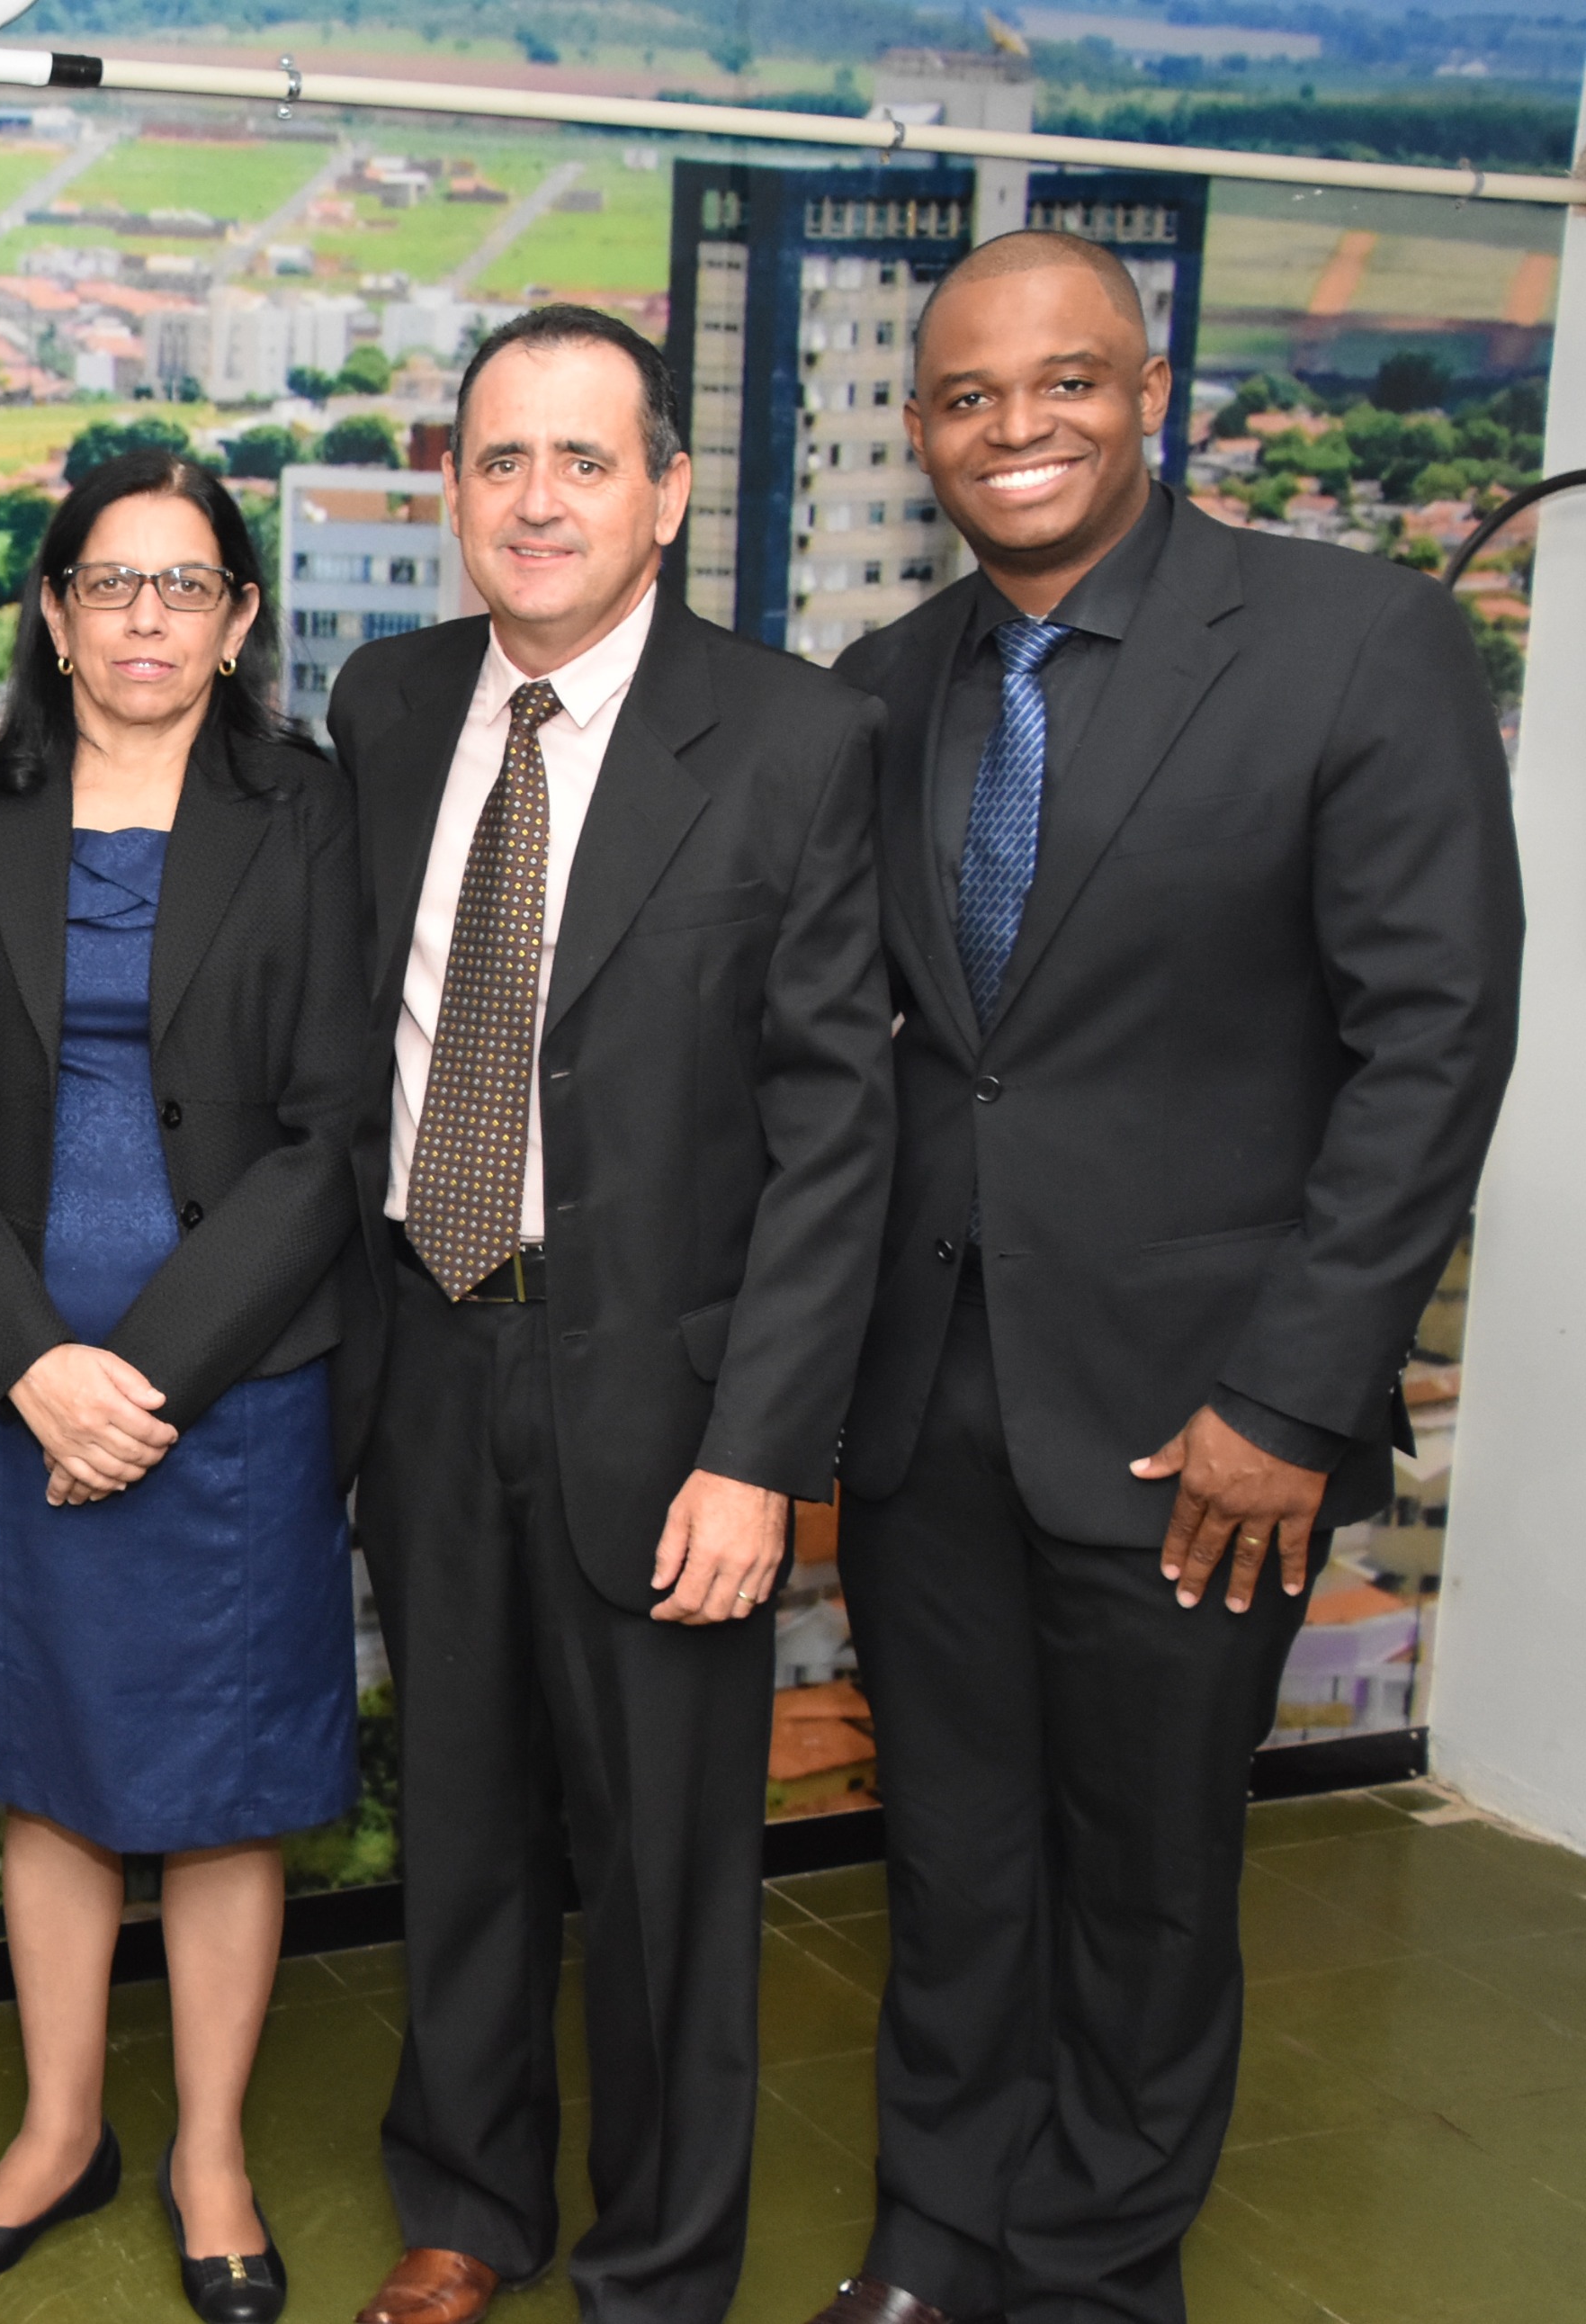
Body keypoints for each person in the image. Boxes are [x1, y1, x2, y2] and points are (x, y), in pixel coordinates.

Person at [804, 232, 1522, 2324]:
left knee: (1142, 1885)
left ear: (1150, 389)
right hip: (928, 1400)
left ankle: (1096, 2277)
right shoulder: (884, 681)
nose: (1012, 426)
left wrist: (1289, 1395)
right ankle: (936, 2239)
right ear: (918, 426)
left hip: (1202, 1420)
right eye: (965, 396)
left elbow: (1431, 1040)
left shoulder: (1352, 639)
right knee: (951, 1859)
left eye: (1063, 380)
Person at [328, 305, 893, 2324]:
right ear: (452, 491)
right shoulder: (389, 703)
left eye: (585, 459)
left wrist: (758, 1453)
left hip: (665, 1402)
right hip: (427, 1353)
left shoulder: (795, 739)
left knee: (663, 1871)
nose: (539, 499)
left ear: (666, 491)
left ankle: (658, 2267)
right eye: (501, 459)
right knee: (462, 1826)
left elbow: (837, 1137)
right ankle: (470, 2201)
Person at [0, 450, 364, 2321]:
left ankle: (209, 2150)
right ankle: (59, 2127)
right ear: (54, 610)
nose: (145, 615)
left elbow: (328, 1137)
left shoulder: (307, 810)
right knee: (48, 1766)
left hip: (228, 1387)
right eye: (109, 580)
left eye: (185, 584)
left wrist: (140, 1380)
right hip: (15, 1380)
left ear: (237, 620)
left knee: (225, 1785)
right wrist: (34, 1365)